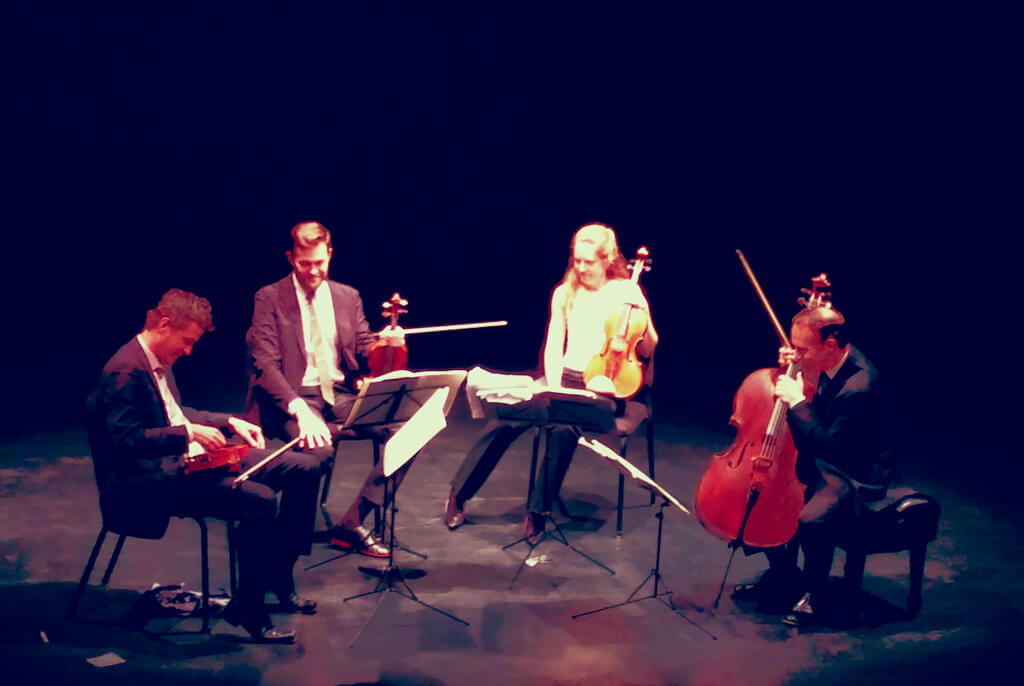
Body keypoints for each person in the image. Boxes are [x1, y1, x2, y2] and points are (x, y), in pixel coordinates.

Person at [91, 289, 322, 644]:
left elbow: (177, 415)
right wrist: (188, 433)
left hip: (184, 460)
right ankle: (248, 606)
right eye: (186, 342)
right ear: (164, 325)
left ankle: (277, 572)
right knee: (259, 500)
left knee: (305, 468)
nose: (188, 352)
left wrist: (229, 422)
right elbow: (125, 443)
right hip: (152, 479)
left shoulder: (156, 361)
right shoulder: (124, 370)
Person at [444, 222, 658, 539]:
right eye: (577, 260)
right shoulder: (564, 293)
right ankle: (458, 495)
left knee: (563, 429)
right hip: (564, 380)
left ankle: (538, 510)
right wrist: (554, 387)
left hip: (604, 386)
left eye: (589, 261)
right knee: (507, 418)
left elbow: (649, 346)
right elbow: (554, 345)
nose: (581, 267)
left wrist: (643, 314)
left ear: (606, 259)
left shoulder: (625, 293)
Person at [731, 298, 895, 626]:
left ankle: (815, 595)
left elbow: (831, 446)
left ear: (830, 344)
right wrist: (796, 367)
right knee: (761, 497)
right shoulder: (828, 361)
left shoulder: (859, 386)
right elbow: (817, 417)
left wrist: (797, 401)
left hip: (854, 473)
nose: (797, 355)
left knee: (811, 519)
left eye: (802, 350)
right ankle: (783, 576)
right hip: (826, 457)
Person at [246, 221, 405, 558]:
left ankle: (353, 522)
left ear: (329, 253)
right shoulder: (270, 298)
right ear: (291, 258)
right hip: (294, 397)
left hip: (339, 394)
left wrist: (384, 342)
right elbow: (265, 364)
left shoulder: (348, 296)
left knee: (407, 429)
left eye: (320, 262)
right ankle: (287, 552)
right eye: (305, 264)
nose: (314, 271)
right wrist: (300, 410)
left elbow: (363, 346)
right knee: (317, 452)